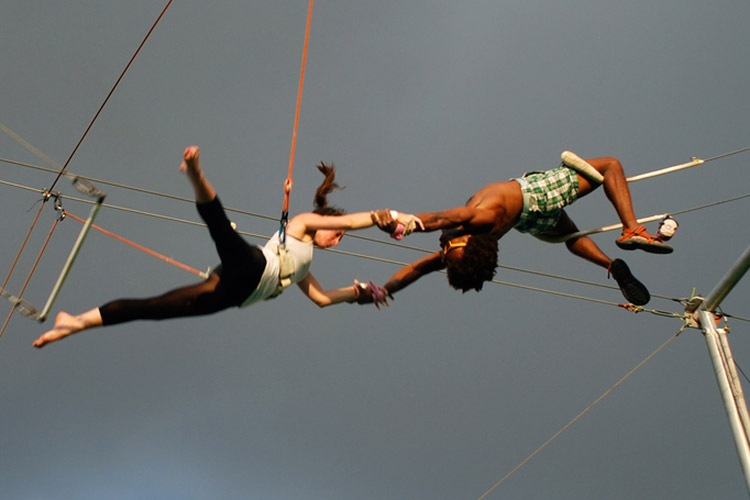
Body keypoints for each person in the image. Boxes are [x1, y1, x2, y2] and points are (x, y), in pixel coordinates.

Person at [33, 146, 421, 348]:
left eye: (339, 238)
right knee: (220, 229)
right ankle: (197, 175)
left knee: (154, 309)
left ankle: (76, 322)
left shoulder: (303, 267)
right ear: (325, 225)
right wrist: (388, 214)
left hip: (235, 293)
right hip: (252, 268)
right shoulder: (303, 224)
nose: (337, 239)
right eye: (335, 234)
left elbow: (320, 299)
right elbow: (352, 221)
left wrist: (360, 293)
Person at [373, 154, 672, 306]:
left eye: (445, 248)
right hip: (538, 194)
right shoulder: (479, 220)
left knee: (569, 237)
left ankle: (611, 265)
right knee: (611, 166)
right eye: (449, 246)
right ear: (467, 243)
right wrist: (407, 223)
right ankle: (632, 229)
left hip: (528, 221)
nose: (444, 245)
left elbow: (416, 268)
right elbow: (440, 219)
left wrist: (385, 289)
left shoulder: (464, 247)